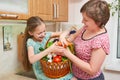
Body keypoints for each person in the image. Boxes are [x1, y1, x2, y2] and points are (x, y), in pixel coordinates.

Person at [55, 0, 110, 80]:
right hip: (75, 76)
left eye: (86, 20)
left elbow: (92, 70)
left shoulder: (101, 40)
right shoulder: (86, 28)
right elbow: (72, 37)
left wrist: (67, 54)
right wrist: (63, 38)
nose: (82, 21)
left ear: (98, 22)